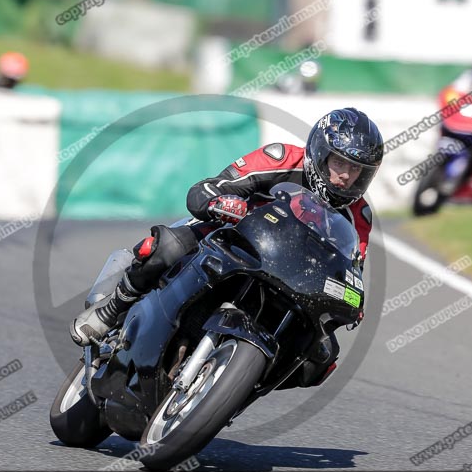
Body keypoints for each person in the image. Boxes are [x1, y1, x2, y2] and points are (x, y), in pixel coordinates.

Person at [71, 107, 383, 386]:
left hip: (291, 277)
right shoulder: (282, 158)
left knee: (321, 356)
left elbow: (350, 270)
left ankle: (239, 386)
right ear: (320, 152)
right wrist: (221, 202)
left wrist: (352, 304)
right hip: (232, 239)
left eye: (356, 169)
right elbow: (208, 188)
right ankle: (111, 310)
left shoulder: (360, 216)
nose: (345, 176)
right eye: (339, 162)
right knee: (167, 246)